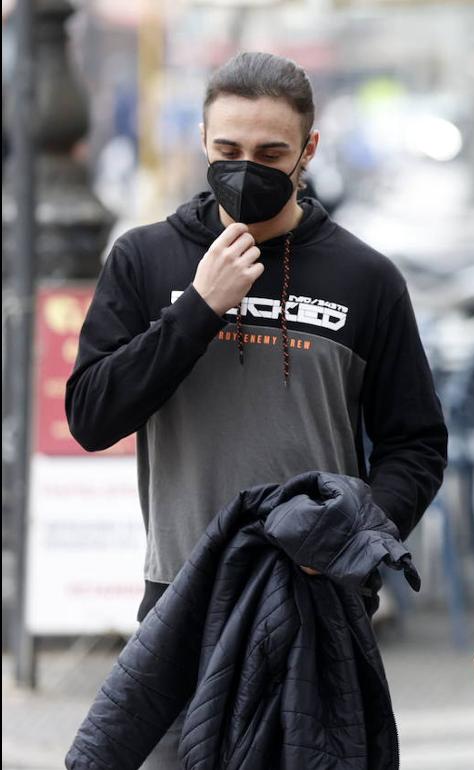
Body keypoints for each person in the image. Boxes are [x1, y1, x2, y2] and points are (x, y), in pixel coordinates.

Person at [65, 51, 449, 767]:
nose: (247, 168)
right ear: (203, 145)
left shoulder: (365, 277)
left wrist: (348, 538)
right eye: (228, 151)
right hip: (182, 596)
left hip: (315, 603)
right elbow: (92, 414)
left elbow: (417, 443)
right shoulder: (145, 260)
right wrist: (199, 309)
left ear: (309, 150)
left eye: (272, 152)